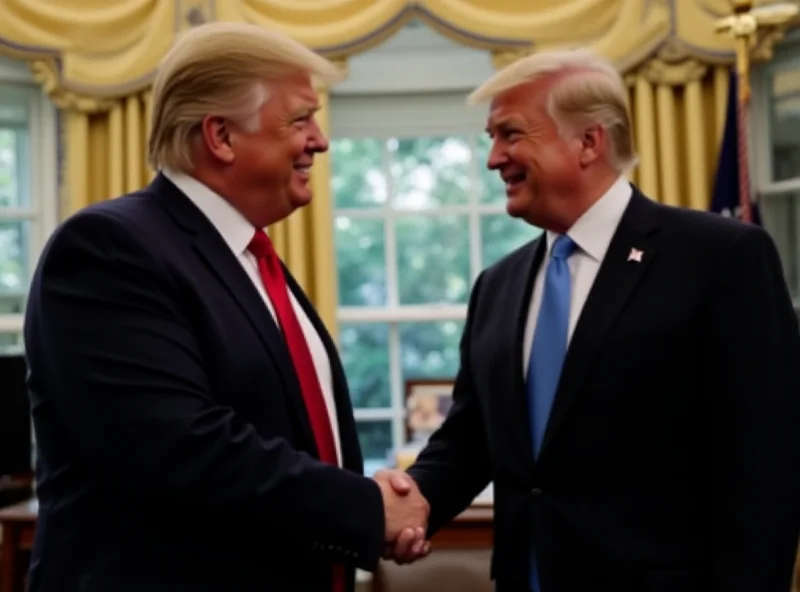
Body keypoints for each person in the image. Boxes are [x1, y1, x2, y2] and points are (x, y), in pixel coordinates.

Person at [23, 22, 429, 592]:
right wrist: (365, 507)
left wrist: (372, 512)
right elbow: (180, 448)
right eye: (299, 119)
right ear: (221, 136)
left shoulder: (253, 259)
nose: (320, 139)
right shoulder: (108, 248)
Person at [384, 48, 800, 591]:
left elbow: (767, 463)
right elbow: (472, 440)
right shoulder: (498, 286)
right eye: (492, 137)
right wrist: (405, 504)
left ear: (588, 142)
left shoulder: (720, 257)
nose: (493, 158)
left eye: (510, 134)